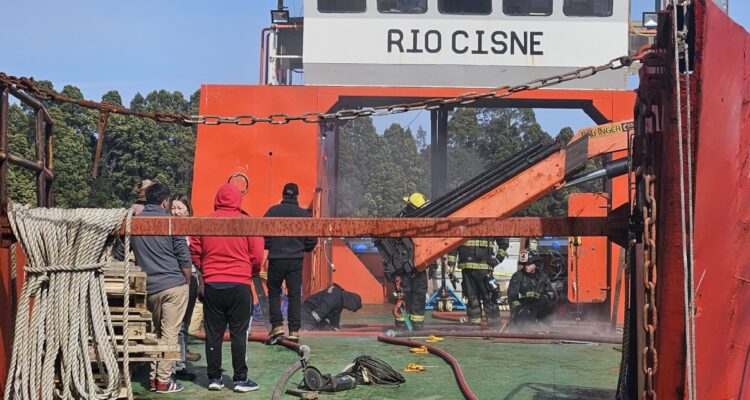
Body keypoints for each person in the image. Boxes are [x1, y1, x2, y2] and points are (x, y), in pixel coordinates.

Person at [190, 184, 264, 393]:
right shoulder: (247, 223)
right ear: (238, 201)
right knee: (239, 333)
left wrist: (206, 269)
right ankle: (240, 380)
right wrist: (251, 271)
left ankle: (214, 378)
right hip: (239, 284)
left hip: (213, 284)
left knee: (213, 333)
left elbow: (194, 251)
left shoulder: (203, 222)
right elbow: (257, 255)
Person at [117, 183, 191, 393]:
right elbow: (183, 255)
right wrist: (187, 280)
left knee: (156, 334)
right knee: (169, 334)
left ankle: (153, 379)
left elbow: (121, 253)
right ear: (165, 201)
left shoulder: (134, 223)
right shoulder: (171, 222)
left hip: (150, 289)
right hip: (174, 285)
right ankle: (163, 381)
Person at [263, 183, 317, 343]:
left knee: (274, 292)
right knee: (294, 295)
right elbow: (312, 240)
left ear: (283, 195)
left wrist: (271, 246)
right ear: (297, 196)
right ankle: (294, 330)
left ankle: (277, 326)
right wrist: (302, 248)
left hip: (276, 259)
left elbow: (261, 233)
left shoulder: (272, 212)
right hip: (295, 260)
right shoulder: (303, 215)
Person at [169, 194, 201, 381]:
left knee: (183, 324)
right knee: (171, 324)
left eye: (180, 208)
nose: (176, 212)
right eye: (173, 208)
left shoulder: (194, 231)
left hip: (190, 280)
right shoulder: (166, 228)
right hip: (172, 280)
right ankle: (170, 364)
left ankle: (179, 363)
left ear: (188, 211)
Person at [447, 237, 508, 329]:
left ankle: (494, 326)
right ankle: (475, 325)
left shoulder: (490, 223)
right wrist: (451, 264)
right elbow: (454, 242)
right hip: (467, 267)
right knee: (472, 298)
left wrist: (497, 259)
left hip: (484, 267)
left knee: (488, 298)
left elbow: (503, 241)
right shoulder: (462, 224)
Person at [395, 192, 429, 331]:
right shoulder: (399, 221)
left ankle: (417, 325)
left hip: (418, 265)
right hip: (404, 267)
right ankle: (402, 325)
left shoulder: (422, 222)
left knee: (419, 295)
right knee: (405, 296)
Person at [508, 250, 557, 329]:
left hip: (538, 305)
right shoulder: (517, 277)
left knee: (550, 306)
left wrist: (545, 297)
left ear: (536, 263)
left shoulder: (542, 277)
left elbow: (552, 293)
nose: (525, 266)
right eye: (524, 264)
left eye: (528, 264)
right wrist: (518, 309)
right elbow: (512, 296)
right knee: (526, 317)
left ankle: (542, 328)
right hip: (523, 307)